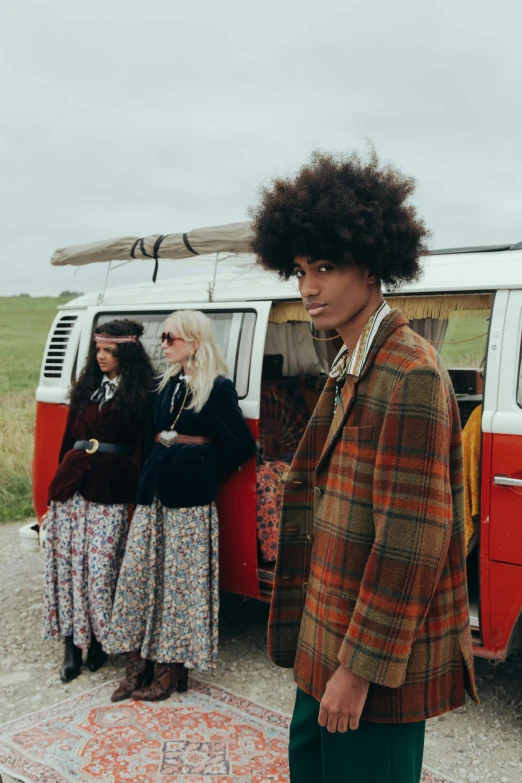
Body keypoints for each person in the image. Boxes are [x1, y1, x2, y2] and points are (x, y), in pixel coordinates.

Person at [249, 150, 479, 783]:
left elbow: (414, 540)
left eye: (325, 267)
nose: (308, 288)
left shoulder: (409, 371)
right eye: (299, 270)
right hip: (322, 638)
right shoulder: (350, 360)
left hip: (372, 665)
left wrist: (358, 670)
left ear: (375, 264)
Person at [106, 309, 256, 702]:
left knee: (178, 586)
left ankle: (170, 670)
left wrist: (202, 468)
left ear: (193, 341)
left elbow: (242, 445)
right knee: (139, 576)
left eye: (170, 337)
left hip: (189, 502)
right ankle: (136, 667)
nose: (164, 344)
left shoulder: (218, 388)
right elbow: (148, 435)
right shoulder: (164, 385)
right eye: (164, 338)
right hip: (153, 492)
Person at [42, 319, 154, 683]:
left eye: (110, 351)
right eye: (99, 350)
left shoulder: (141, 394)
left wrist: (142, 496)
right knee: (71, 567)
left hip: (112, 489)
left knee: (102, 570)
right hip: (72, 487)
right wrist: (56, 489)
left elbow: (145, 449)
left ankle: (98, 643)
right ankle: (73, 645)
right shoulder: (87, 388)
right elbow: (65, 441)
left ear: (128, 354)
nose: (102, 357)